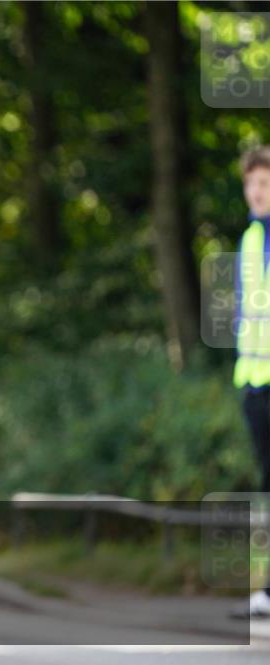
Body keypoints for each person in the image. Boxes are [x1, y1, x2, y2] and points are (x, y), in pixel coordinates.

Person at [232, 146, 270, 619]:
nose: (256, 191)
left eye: (264, 183)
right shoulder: (247, 238)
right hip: (254, 385)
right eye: (251, 184)